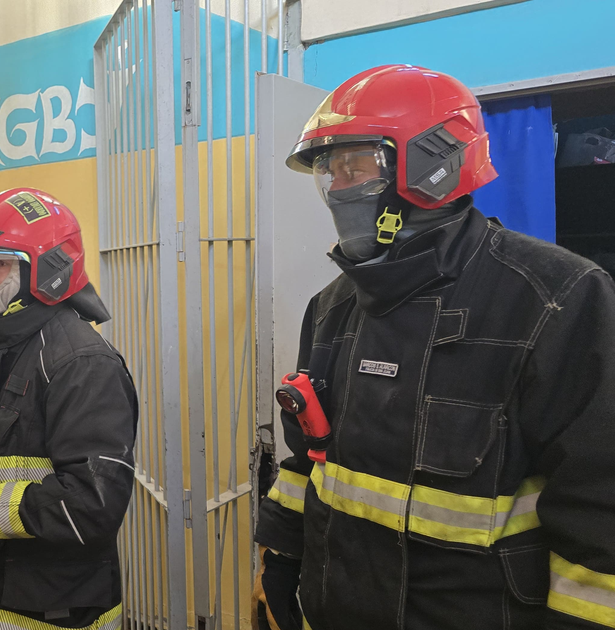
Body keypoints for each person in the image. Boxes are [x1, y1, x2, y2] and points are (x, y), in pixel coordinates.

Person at [253, 64, 615, 630]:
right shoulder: (333, 308)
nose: (338, 188)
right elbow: (310, 460)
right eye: (329, 169)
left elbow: (600, 504)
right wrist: (280, 557)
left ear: (433, 165)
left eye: (356, 165)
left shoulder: (554, 298)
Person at [0, 188, 138, 630]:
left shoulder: (83, 364)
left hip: (50, 604)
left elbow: (93, 503)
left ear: (47, 270)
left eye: (0, 262)